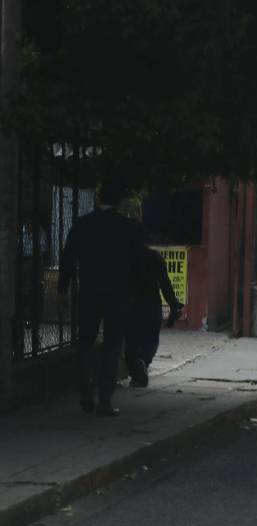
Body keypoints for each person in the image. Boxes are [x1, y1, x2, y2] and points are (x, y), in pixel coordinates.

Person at [58, 176, 144, 416]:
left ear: (98, 198)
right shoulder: (128, 227)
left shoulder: (82, 224)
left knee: (84, 341)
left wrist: (62, 289)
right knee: (112, 345)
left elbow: (67, 259)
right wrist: (133, 291)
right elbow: (138, 265)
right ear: (118, 201)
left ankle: (85, 388)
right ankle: (104, 399)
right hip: (118, 295)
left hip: (89, 292)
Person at [125, 242, 183, 388]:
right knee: (151, 339)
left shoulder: (126, 257)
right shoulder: (154, 257)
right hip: (151, 304)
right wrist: (173, 305)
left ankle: (136, 370)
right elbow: (165, 284)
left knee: (131, 340)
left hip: (131, 304)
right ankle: (143, 363)